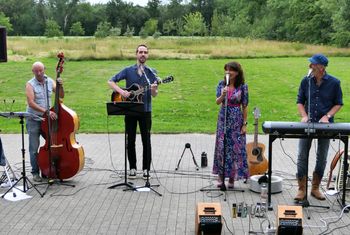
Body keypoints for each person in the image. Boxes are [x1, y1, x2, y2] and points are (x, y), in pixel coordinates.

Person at [295, 54, 343, 201]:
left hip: (325, 125)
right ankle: (301, 189)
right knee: (302, 155)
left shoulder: (334, 83)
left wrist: (327, 116)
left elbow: (338, 103)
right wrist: (304, 115)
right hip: (307, 124)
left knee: (322, 157)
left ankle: (315, 188)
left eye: (313, 64)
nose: (310, 66)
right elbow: (299, 101)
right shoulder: (306, 81)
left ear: (321, 67)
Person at [108, 44, 159, 180]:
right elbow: (111, 81)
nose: (143, 54)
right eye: (140, 52)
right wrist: (122, 92)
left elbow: (154, 95)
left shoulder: (152, 72)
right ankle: (132, 168)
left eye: (145, 52)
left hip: (146, 110)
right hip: (130, 110)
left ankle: (146, 169)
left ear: (147, 55)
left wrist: (153, 89)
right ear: (136, 54)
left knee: (146, 140)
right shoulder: (128, 70)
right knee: (130, 140)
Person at [212, 61, 249, 188]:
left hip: (236, 119)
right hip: (223, 119)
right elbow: (217, 102)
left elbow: (245, 106)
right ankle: (221, 177)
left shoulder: (243, 86)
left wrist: (244, 124)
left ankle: (232, 178)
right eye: (226, 70)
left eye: (231, 70)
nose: (228, 72)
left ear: (237, 72)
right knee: (222, 147)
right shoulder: (221, 84)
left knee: (235, 149)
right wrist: (222, 95)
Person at [26, 61, 64, 182]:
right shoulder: (30, 84)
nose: (38, 73)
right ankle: (35, 172)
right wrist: (47, 111)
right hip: (34, 119)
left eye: (40, 70)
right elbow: (31, 103)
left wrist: (60, 86)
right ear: (33, 72)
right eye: (36, 71)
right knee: (34, 147)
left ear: (44, 69)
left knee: (51, 143)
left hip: (46, 119)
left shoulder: (50, 81)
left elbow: (61, 96)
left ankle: (48, 169)